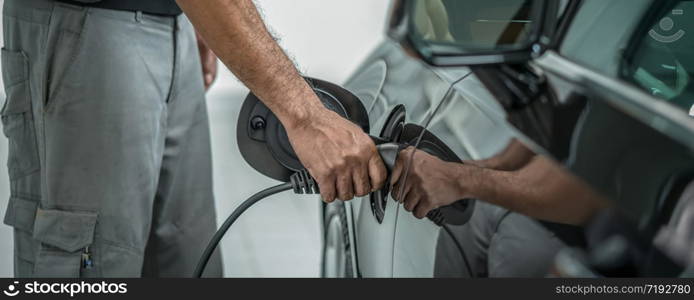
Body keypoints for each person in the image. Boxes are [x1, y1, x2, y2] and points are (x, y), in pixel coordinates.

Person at [1, 0, 386, 277]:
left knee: (185, 255)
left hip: (173, 20)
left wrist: (203, 16)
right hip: (87, 23)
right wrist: (305, 117)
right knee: (92, 264)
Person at [389, 139, 609, 277]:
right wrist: (462, 171)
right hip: (506, 209)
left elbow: (586, 187)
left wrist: (458, 179)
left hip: (571, 241)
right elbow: (553, 130)